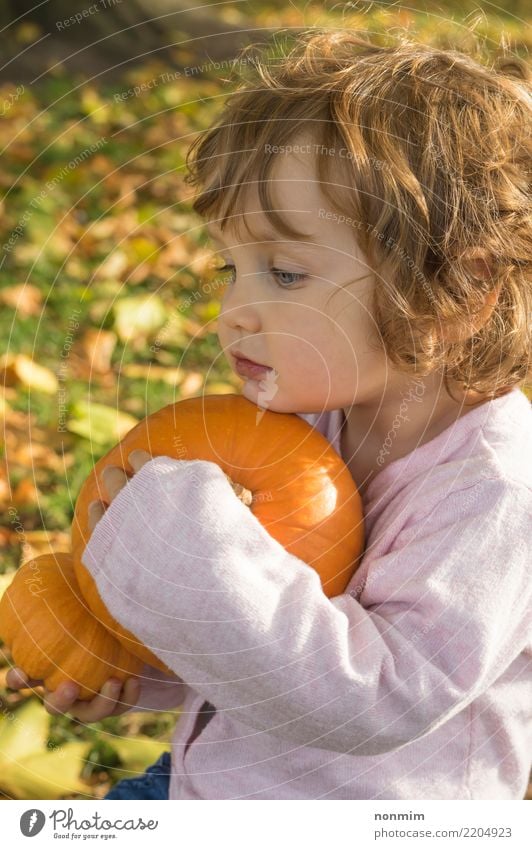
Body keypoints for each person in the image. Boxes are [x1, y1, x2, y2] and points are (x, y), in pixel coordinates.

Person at [7, 29, 532, 800]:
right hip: (207, 784)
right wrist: (135, 659)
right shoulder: (309, 423)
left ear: (453, 291)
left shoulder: (494, 493)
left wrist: (195, 559)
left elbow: (374, 699)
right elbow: (267, 635)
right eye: (232, 266)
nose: (233, 311)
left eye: (285, 272)